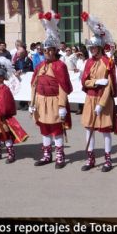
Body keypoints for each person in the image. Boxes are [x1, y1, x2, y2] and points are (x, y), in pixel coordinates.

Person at [79, 12, 117, 172]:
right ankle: (90, 158)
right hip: (90, 98)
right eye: (90, 47)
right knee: (89, 128)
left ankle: (108, 159)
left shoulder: (107, 62)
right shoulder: (89, 62)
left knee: (105, 130)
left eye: (94, 47)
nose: (92, 50)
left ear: (100, 48)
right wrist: (95, 82)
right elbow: (85, 81)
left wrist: (102, 104)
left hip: (104, 100)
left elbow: (109, 84)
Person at [31, 11, 73, 169]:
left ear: (55, 51)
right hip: (42, 102)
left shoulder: (60, 66)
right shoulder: (40, 66)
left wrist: (62, 106)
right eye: (45, 50)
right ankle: (47, 154)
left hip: (55, 101)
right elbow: (34, 84)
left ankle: (60, 155)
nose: (47, 53)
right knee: (44, 128)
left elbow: (63, 86)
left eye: (50, 50)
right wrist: (32, 102)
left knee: (56, 129)